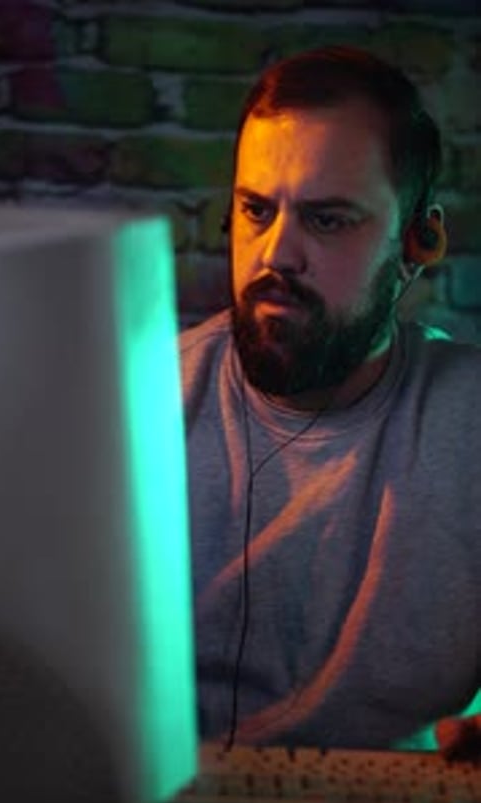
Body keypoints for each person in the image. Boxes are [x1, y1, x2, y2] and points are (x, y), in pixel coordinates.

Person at [180, 46, 481, 757]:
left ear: (418, 242)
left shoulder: (470, 423)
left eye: (328, 220)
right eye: (256, 210)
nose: (275, 256)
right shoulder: (137, 408)